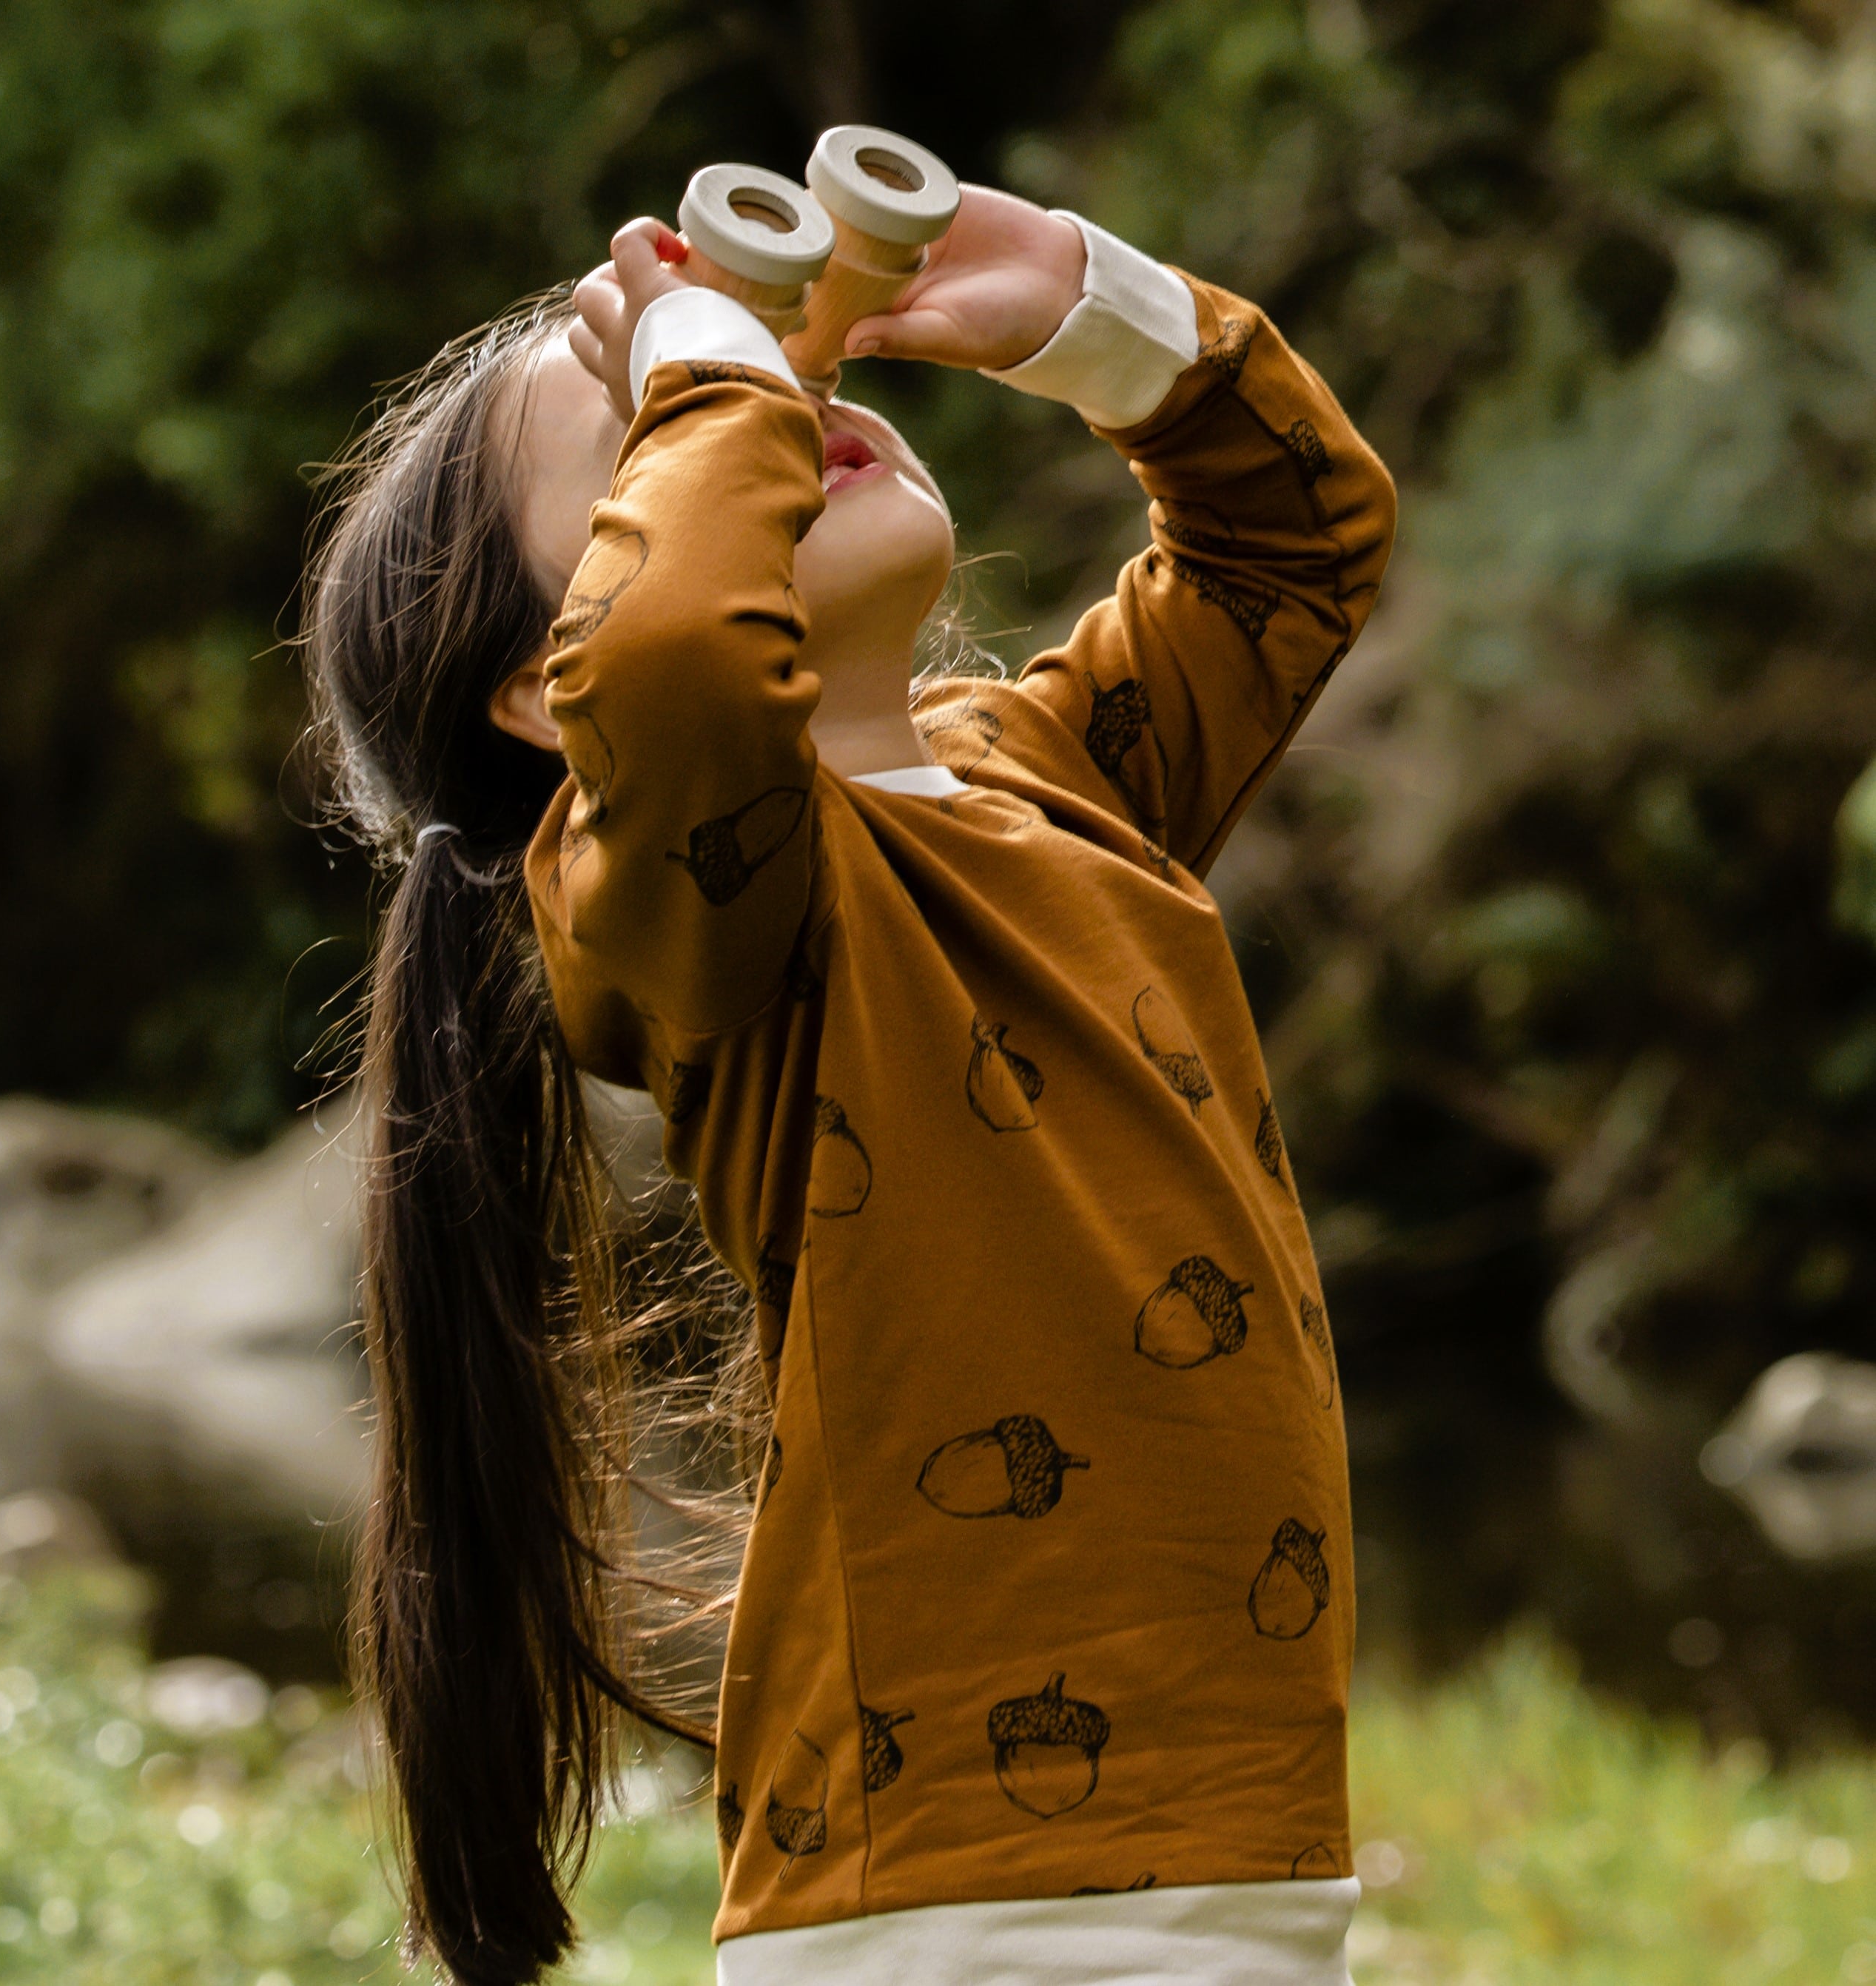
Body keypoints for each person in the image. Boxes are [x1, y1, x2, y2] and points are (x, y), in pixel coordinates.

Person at [303, 178, 1395, 1986]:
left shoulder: (1055, 784)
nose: (771, 400)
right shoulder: (670, 888)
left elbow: (1294, 549)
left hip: (1231, 1836)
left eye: (763, 377)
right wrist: (719, 369)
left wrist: (1084, 307)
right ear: (536, 695)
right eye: (656, 426)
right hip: (954, 1887)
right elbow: (675, 662)